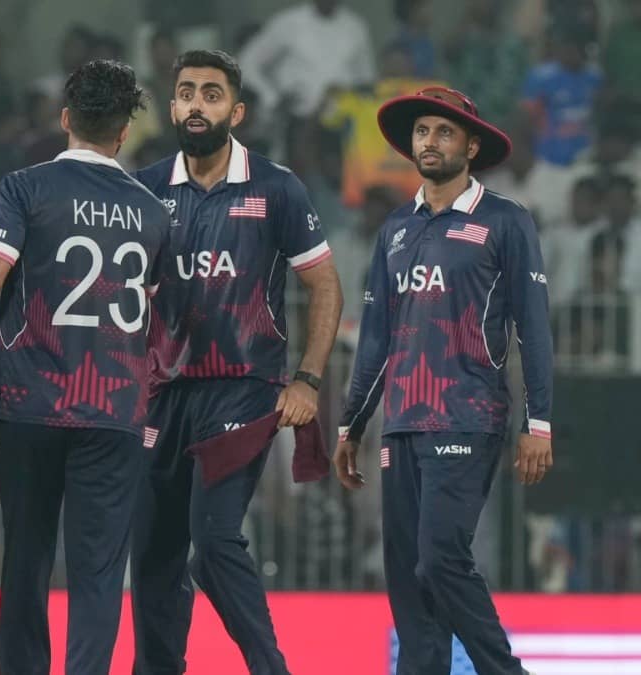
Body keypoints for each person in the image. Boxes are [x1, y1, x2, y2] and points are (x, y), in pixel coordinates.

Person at [0, 59, 171, 675]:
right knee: (99, 570)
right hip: (114, 412)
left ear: (64, 119)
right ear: (124, 132)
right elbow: (156, 320)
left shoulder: (25, 188)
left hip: (32, 404)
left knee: (25, 558)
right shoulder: (154, 211)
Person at [131, 50, 343, 675]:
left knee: (214, 542)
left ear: (237, 110)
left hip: (242, 391)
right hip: (161, 394)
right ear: (172, 106)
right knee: (154, 557)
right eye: (187, 93)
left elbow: (325, 285)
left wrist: (306, 379)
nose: (197, 104)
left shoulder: (275, 187)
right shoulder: (141, 189)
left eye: (212, 94)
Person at [334, 86, 553, 675]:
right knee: (408, 583)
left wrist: (539, 423)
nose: (430, 141)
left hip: (469, 413)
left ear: (471, 144)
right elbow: (377, 339)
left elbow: (533, 328)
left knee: (439, 560)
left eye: (444, 132)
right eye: (422, 132)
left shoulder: (505, 220)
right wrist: (351, 424)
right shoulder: (396, 230)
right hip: (401, 421)